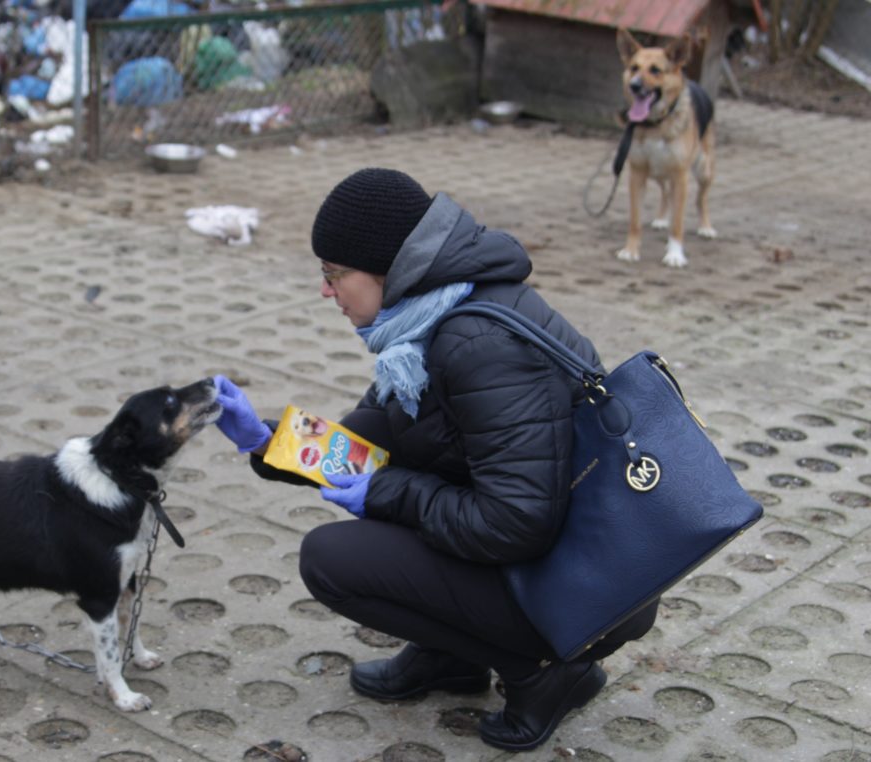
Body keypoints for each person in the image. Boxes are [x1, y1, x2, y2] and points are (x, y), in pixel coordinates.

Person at [212, 168, 658, 752]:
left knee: (330, 559)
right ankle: (453, 655)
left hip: (588, 583)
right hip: (544, 552)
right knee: (398, 475)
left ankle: (546, 672)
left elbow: (515, 523)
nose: (326, 292)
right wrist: (268, 443)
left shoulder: (478, 345)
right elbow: (367, 440)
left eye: (333, 275)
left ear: (385, 270)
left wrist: (384, 492)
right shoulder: (425, 323)